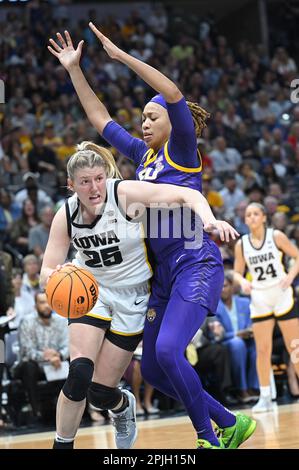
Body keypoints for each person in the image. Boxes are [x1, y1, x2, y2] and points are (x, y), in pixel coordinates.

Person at [48, 28, 255, 449]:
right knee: (157, 370)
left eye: (151, 117)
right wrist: (75, 71)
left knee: (166, 352)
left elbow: (174, 93)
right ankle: (231, 422)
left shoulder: (181, 148)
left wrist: (122, 57)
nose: (143, 123)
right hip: (161, 276)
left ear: (171, 123)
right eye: (141, 117)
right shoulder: (142, 159)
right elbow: (100, 120)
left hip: (195, 261)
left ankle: (207, 438)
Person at [40, 141, 238, 449]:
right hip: (92, 292)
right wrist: (54, 276)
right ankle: (62, 445)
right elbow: (45, 270)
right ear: (71, 185)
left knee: (101, 393)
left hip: (133, 297)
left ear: (105, 176)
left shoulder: (124, 194)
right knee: (79, 373)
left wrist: (208, 219)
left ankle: (121, 406)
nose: (93, 187)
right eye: (84, 182)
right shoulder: (65, 215)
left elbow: (188, 193)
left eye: (98, 178)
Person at [234, 202, 299, 412]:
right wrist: (242, 281)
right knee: (262, 350)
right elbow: (236, 272)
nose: (251, 217)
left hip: (281, 293)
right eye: (248, 214)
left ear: (263, 217)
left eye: (255, 214)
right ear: (245, 220)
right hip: (260, 296)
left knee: (295, 348)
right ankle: (264, 395)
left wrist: (290, 276)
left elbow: (297, 256)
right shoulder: (241, 244)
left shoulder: (276, 236)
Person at [14, 291, 69, 422]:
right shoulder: (27, 322)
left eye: (49, 302)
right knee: (29, 367)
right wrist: (47, 357)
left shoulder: (62, 321)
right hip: (34, 365)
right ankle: (36, 412)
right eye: (42, 303)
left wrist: (59, 355)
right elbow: (27, 351)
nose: (46, 306)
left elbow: (69, 345)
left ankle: (79, 411)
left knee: (77, 361)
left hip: (57, 363)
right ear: (35, 306)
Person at [215, 271, 259, 403]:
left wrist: (250, 331)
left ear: (232, 287)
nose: (223, 289)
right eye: (220, 287)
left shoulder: (244, 302)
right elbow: (216, 335)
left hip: (247, 339)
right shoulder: (213, 307)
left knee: (257, 344)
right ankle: (242, 389)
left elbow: (252, 322)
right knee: (237, 343)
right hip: (226, 343)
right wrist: (236, 334)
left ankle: (254, 387)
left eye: (226, 286)